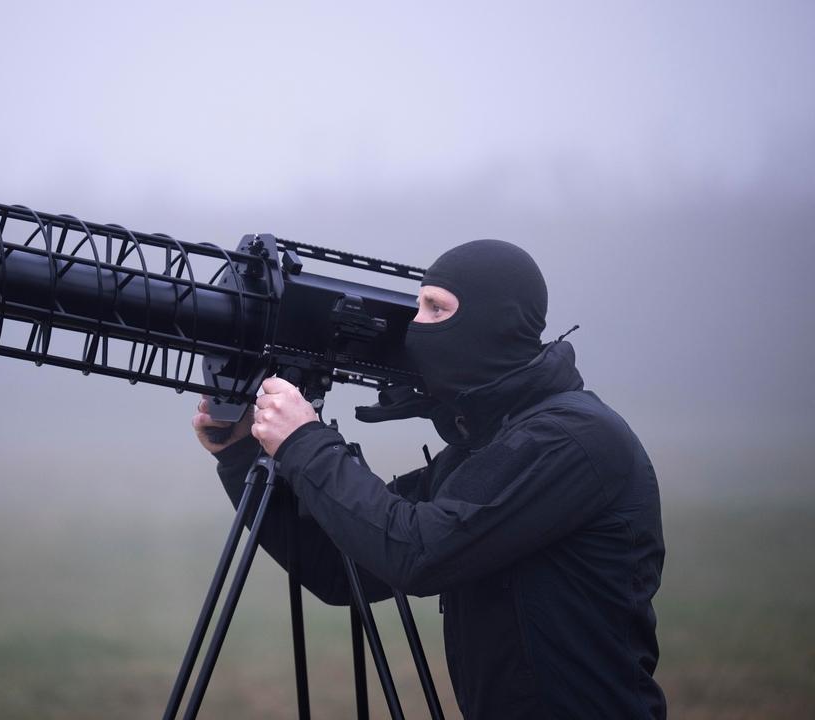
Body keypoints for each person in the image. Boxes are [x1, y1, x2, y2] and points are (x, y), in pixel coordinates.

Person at [192, 239, 666, 719]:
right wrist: (241, 454)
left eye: (436, 309)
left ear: (495, 324)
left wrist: (305, 442)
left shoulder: (572, 440)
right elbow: (342, 569)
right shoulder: (483, 448)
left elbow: (418, 552)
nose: (414, 327)